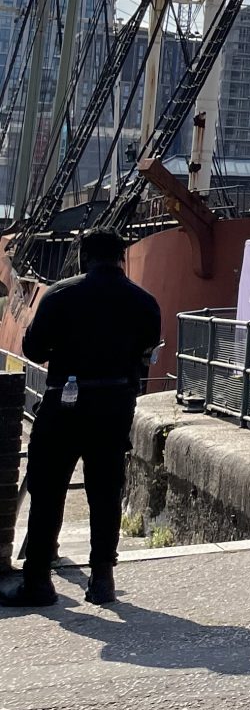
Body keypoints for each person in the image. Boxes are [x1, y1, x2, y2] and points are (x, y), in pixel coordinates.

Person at [2, 230, 161, 608]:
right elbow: (146, 349)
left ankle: (39, 580)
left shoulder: (61, 294)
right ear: (120, 258)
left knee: (48, 488)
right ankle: (102, 576)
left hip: (66, 400)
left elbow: (35, 348)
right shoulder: (144, 301)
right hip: (115, 400)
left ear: (83, 257)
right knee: (105, 490)